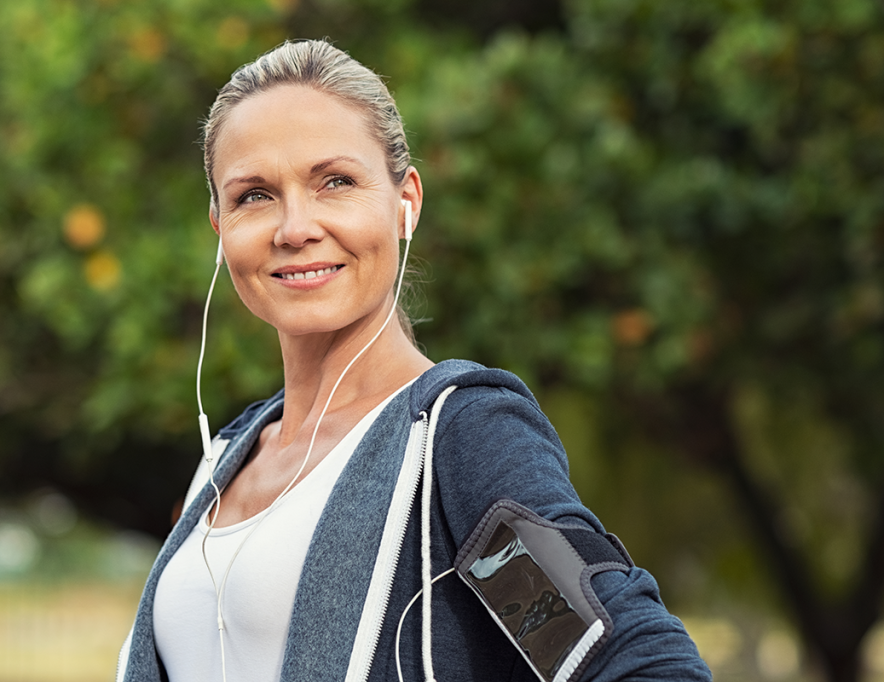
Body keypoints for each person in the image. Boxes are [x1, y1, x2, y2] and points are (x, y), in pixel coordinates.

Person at [117, 39, 711, 682]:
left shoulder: (457, 439)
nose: (294, 227)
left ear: (407, 202)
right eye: (254, 196)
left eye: (335, 182)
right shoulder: (225, 457)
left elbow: (632, 659)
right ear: (219, 227)